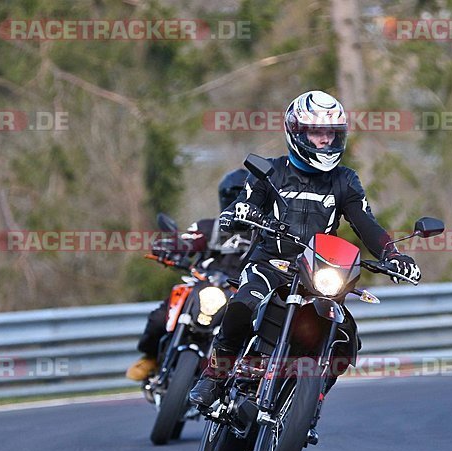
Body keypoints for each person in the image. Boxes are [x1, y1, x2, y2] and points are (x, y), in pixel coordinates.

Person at [189, 90, 421, 407]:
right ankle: (214, 376)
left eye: (331, 134)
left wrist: (393, 255)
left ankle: (311, 401)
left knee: (345, 336)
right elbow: (244, 204)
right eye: (317, 132)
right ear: (296, 131)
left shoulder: (345, 180)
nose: (324, 141)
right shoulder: (270, 171)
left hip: (320, 271)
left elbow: (366, 224)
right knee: (242, 305)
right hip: (270, 264)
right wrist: (239, 213)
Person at [125, 169, 250, 381]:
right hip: (202, 285)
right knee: (159, 317)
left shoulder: (265, 236)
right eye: (233, 196)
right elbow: (189, 240)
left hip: (238, 295)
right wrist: (171, 247)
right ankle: (151, 358)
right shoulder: (210, 227)